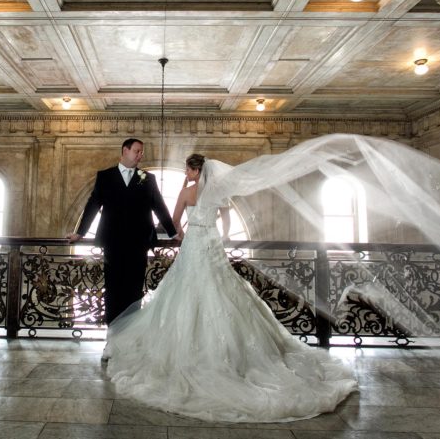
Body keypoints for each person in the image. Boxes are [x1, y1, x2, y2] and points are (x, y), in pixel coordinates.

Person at [103, 152, 358, 423]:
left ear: (194, 170)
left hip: (194, 243)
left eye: (187, 170)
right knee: (221, 288)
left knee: (187, 290)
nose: (186, 174)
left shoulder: (187, 193)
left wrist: (181, 232)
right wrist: (220, 236)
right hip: (212, 243)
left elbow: (176, 220)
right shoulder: (218, 193)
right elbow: (225, 223)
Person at [66, 138, 177, 328]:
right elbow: (93, 205)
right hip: (112, 243)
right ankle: (113, 334)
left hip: (139, 243)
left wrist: (173, 233)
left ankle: (130, 334)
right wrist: (80, 233)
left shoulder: (147, 178)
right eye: (137, 151)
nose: (140, 155)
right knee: (113, 290)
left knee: (134, 291)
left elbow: (159, 206)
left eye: (141, 152)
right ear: (125, 151)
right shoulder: (105, 176)